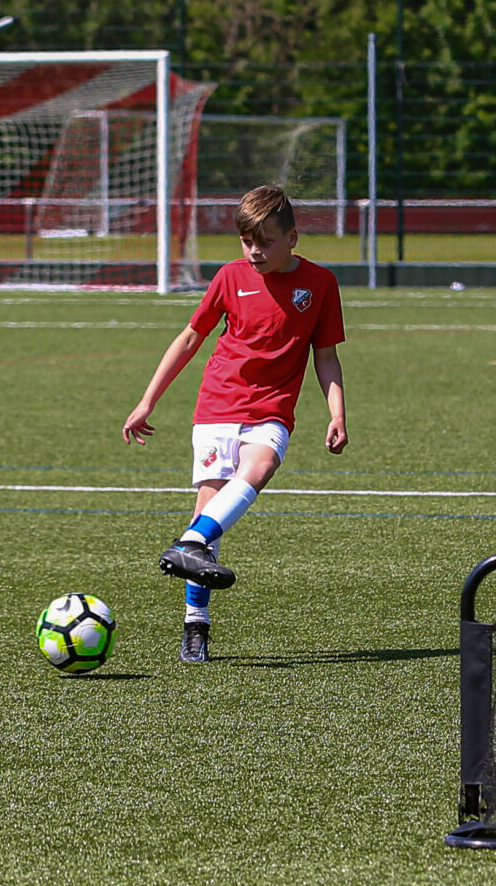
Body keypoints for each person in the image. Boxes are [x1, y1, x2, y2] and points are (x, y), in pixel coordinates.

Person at [122, 185, 347, 662]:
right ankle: (196, 624)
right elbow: (190, 338)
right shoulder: (229, 277)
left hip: (272, 409)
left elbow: (325, 355)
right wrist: (147, 401)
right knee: (211, 516)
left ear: (292, 238)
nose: (254, 251)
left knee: (261, 467)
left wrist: (337, 414)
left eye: (265, 241)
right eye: (247, 241)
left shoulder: (321, 284)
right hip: (218, 405)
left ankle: (190, 541)